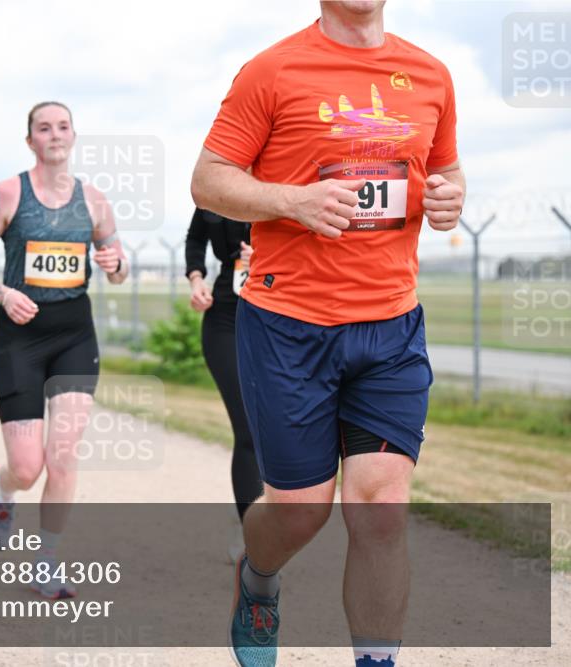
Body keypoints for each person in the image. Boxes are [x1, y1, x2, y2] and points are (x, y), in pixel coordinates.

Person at [190, 2, 465, 665]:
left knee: (381, 503)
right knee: (300, 511)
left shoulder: (430, 74)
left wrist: (452, 193)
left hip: (390, 326)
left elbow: (443, 169)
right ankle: (257, 579)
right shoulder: (272, 70)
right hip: (289, 328)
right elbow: (208, 181)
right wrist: (293, 201)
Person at [0, 101, 128, 600]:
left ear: (74, 136)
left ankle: (46, 562)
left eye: (62, 126)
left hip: (75, 336)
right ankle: (2, 489)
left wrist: (116, 262)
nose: (54, 135)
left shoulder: (95, 200)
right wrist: (6, 293)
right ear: (30, 140)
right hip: (20, 338)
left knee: (64, 455)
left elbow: (117, 273)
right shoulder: (9, 193)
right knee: (28, 467)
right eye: (43, 128)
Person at [185, 208, 263, 541]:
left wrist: (271, 253)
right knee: (247, 429)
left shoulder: (286, 175)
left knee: (275, 430)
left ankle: (267, 516)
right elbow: (195, 237)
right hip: (226, 317)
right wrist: (196, 277)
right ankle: (253, 536)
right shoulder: (217, 185)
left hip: (283, 317)